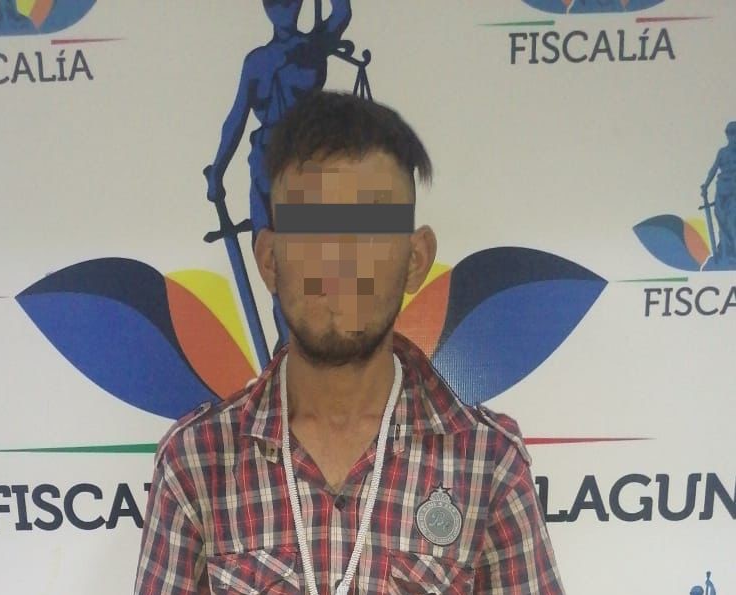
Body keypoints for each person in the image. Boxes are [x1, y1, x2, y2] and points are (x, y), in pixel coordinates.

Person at [136, 91, 565, 594]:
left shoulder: (488, 463)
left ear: (415, 258)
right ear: (270, 260)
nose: (338, 260)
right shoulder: (196, 461)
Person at [205, 0, 352, 344]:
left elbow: (342, 12)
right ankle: (288, 344)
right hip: (264, 167)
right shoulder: (257, 61)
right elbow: (236, 118)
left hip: (305, 165)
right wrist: (218, 171)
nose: (282, 9)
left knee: (307, 266)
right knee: (271, 263)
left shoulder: (313, 46)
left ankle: (306, 341)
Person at [701, 121, 736, 269]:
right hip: (722, 191)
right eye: (731, 134)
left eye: (735, 134)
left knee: (732, 222)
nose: (733, 137)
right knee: (722, 223)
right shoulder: (722, 152)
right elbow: (714, 169)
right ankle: (725, 254)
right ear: (727, 135)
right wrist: (705, 185)